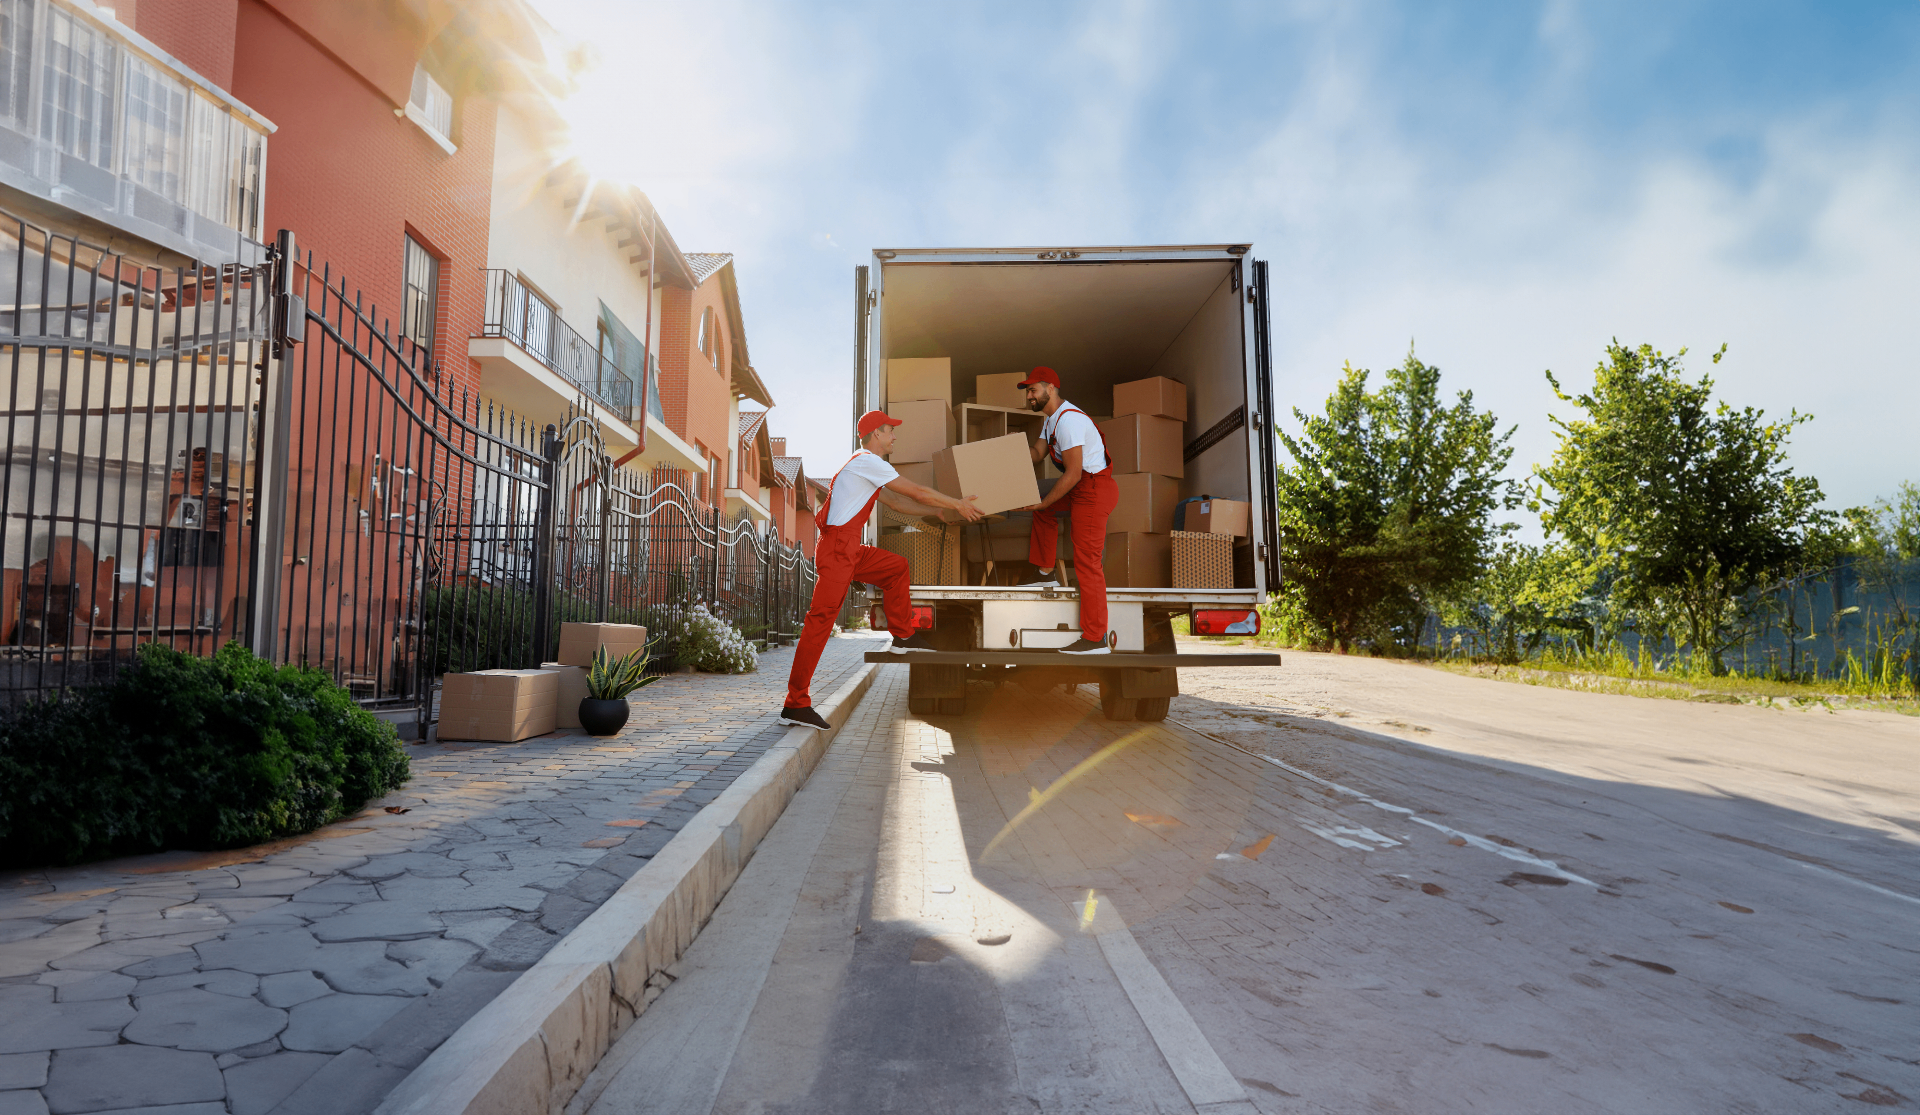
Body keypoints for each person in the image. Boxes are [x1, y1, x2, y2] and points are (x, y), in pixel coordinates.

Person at [779, 410, 983, 729]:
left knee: (896, 567)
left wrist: (938, 512)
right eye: (890, 431)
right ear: (876, 434)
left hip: (848, 548)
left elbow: (898, 504)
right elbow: (914, 491)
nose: (894, 436)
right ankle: (795, 703)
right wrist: (957, 503)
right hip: (838, 550)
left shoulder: (867, 468)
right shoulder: (866, 461)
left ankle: (903, 636)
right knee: (819, 623)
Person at [1017, 366, 1117, 655]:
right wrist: (1011, 447)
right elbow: (1037, 454)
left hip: (1093, 490)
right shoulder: (1051, 421)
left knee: (1088, 562)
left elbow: (1073, 473)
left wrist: (1046, 500)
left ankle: (1095, 638)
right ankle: (1045, 573)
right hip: (1081, 487)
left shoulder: (1069, 420)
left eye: (1033, 390)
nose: (1029, 396)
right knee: (1042, 510)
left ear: (1051, 388)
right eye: (1027, 392)